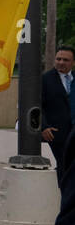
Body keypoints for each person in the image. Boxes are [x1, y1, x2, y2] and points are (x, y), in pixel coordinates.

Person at [41, 45, 75, 179]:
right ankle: (64, 195)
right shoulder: (45, 79)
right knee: (63, 164)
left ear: (73, 62)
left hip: (73, 131)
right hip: (56, 133)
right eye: (58, 59)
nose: (61, 62)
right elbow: (38, 105)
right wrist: (44, 127)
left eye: (65, 60)